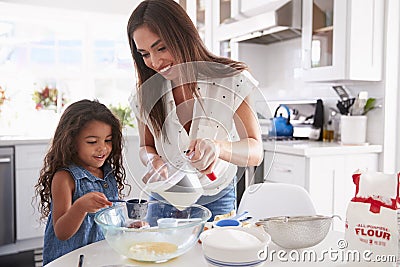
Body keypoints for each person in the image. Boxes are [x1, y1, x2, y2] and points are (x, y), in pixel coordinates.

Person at [127, 0, 263, 220]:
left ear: (183, 36)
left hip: (216, 199)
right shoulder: (145, 94)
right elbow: (146, 146)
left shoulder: (231, 80)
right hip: (163, 198)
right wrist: (154, 161)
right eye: (144, 54)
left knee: (212, 254)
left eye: (161, 47)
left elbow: (255, 152)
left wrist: (218, 148)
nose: (155, 61)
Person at [34, 99, 130, 265]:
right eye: (92, 142)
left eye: (108, 140)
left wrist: (128, 227)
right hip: (68, 261)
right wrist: (80, 207)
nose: (103, 148)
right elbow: (61, 232)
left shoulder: (107, 174)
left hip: (99, 258)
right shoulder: (65, 178)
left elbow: (111, 220)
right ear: (71, 142)